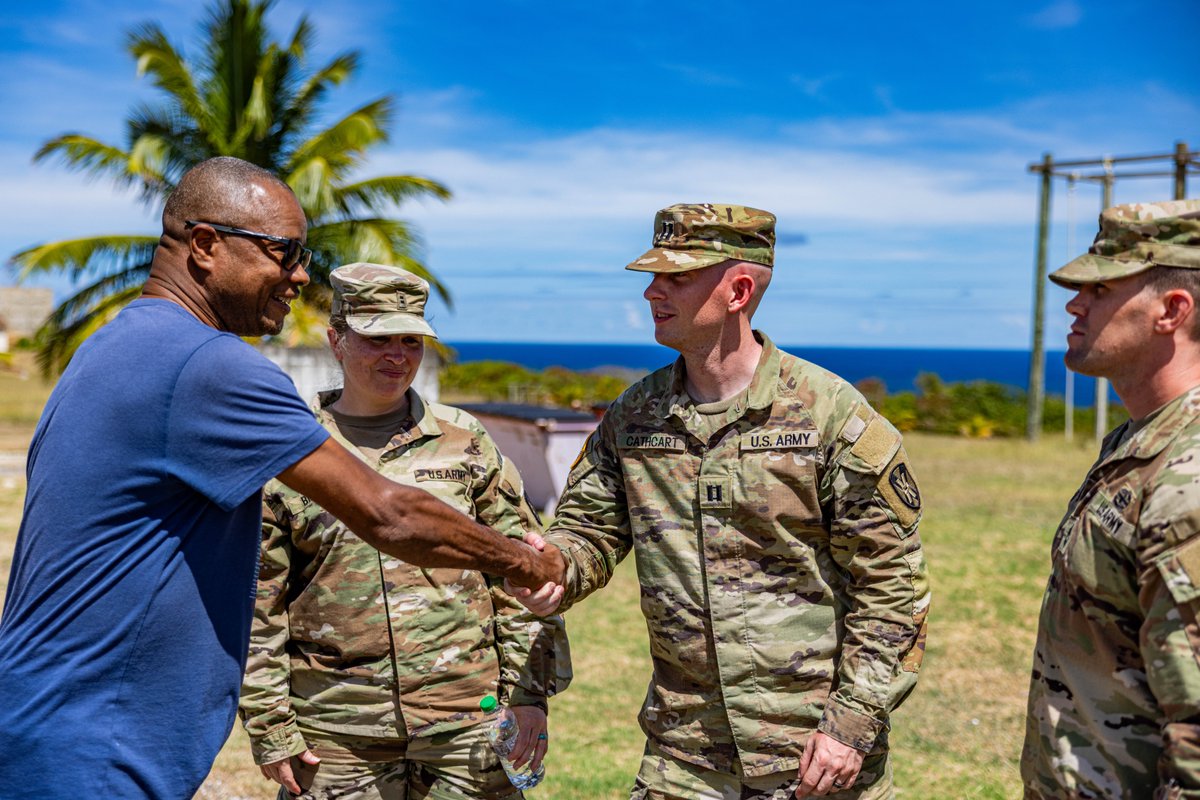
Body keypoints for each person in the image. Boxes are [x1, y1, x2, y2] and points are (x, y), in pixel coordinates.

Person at [0, 157, 562, 799]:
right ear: (206, 245)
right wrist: (525, 562)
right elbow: (389, 515)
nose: (299, 275)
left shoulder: (109, 347)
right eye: (282, 251)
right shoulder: (211, 367)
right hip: (99, 749)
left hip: (56, 723)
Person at [513, 204, 930, 799]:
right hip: (684, 753)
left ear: (737, 290)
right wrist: (552, 567)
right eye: (652, 277)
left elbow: (891, 586)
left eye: (675, 277)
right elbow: (589, 534)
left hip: (813, 754)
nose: (652, 292)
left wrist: (852, 722)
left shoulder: (830, 416)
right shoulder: (635, 416)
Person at [239, 263, 571, 799]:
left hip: (469, 721)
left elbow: (520, 572)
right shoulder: (291, 451)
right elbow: (256, 602)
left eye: (410, 340)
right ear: (336, 341)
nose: (397, 356)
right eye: (378, 339)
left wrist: (530, 696)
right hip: (337, 730)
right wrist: (271, 726)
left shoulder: (465, 441)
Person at [1022, 199, 1200, 800]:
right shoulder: (1138, 440)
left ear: (1172, 312)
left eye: (1101, 288)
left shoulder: (1188, 475)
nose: (1076, 302)